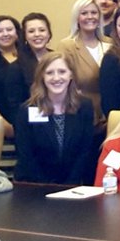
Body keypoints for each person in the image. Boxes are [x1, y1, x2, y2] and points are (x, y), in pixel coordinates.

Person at [14, 52, 97, 185]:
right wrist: (46, 187)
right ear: (42, 76)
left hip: (73, 185)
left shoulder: (84, 107)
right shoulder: (27, 110)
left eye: (62, 71)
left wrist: (70, 183)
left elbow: (85, 151)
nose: (56, 78)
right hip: (34, 187)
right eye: (50, 73)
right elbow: (26, 156)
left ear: (71, 75)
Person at [53, 0, 111, 119]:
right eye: (84, 13)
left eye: (94, 13)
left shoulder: (111, 44)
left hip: (110, 115)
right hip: (80, 114)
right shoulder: (67, 46)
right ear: (77, 18)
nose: (90, 17)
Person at [18, 12, 52, 87]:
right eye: (31, 31)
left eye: (42, 30)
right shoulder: (17, 65)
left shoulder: (58, 58)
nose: (37, 34)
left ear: (49, 34)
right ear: (25, 36)